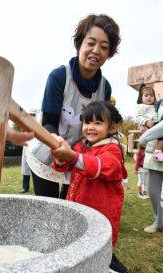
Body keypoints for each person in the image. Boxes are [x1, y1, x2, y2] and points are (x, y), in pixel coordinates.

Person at [29, 13, 121, 199]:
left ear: (109, 53)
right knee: (48, 211)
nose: (96, 50)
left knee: (71, 208)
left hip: (77, 158)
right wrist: (58, 145)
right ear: (80, 44)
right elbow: (48, 123)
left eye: (104, 47)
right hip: (46, 153)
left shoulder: (105, 87)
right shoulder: (59, 76)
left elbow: (100, 127)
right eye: (91, 43)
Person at [52, 101, 128, 273]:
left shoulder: (112, 149)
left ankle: (105, 260)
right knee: (78, 233)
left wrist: (71, 155)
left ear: (113, 128)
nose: (90, 127)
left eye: (98, 123)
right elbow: (65, 167)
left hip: (103, 208)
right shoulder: (81, 145)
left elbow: (102, 167)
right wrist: (61, 159)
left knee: (99, 237)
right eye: (87, 122)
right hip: (78, 200)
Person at [139, 99, 163, 233]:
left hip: (158, 148)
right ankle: (160, 222)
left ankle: (160, 222)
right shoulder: (160, 102)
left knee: (156, 189)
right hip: (155, 152)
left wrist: (145, 137)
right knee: (154, 189)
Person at [135, 85, 163, 161]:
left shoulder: (155, 105)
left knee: (162, 135)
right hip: (149, 125)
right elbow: (137, 117)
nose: (149, 97)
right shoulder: (141, 107)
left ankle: (159, 151)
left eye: (151, 96)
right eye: (146, 96)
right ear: (141, 98)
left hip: (156, 125)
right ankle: (157, 152)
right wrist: (145, 122)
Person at [20, 108, 37, 193]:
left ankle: (36, 186)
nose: (32, 116)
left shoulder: (38, 125)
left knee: (35, 167)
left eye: (33, 114)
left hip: (34, 148)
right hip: (26, 147)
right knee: (25, 167)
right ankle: (25, 187)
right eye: (30, 114)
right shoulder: (24, 124)